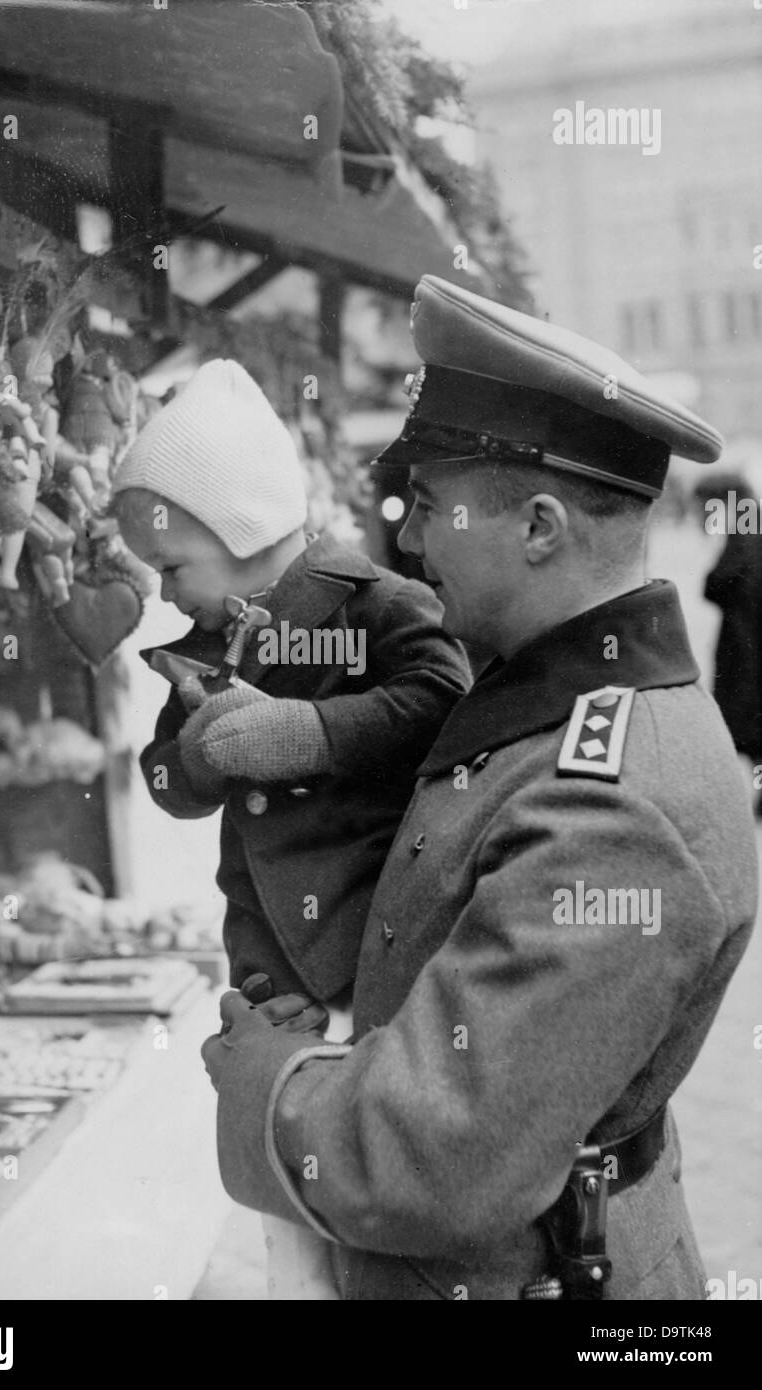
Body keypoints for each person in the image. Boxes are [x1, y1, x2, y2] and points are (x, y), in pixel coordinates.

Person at [201, 279, 759, 1301]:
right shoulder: (545, 703)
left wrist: (259, 1076)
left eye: (429, 505)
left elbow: (434, 1155)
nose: (408, 540)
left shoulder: (616, 802)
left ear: (539, 525)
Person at [112, 357, 471, 1294]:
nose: (162, 594)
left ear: (239, 524)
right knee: (291, 1244)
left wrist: (311, 732)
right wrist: (192, 759)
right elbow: (162, 778)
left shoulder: (377, 603)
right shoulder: (199, 644)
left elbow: (446, 700)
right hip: (272, 984)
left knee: (381, 1231)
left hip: (375, 975)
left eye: (170, 566)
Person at [703, 503, 762, 819]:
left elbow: (715, 584)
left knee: (736, 733)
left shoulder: (747, 526)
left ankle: (733, 804)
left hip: (743, 653)